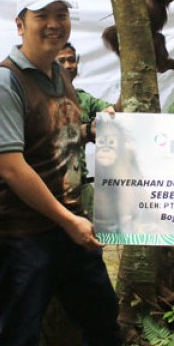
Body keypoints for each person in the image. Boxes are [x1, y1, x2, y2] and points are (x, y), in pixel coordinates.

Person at [0, 0, 133, 346]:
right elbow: (12, 167)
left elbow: (54, 139)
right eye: (41, 16)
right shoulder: (4, 82)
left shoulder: (59, 75)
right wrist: (69, 220)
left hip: (69, 230)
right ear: (20, 24)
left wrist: (89, 130)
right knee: (18, 345)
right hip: (25, 236)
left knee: (103, 325)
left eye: (60, 15)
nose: (53, 24)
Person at [56, 42, 113, 219]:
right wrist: (87, 130)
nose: (67, 65)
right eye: (62, 60)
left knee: (91, 241)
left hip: (81, 185)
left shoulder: (83, 98)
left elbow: (113, 109)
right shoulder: (39, 96)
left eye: (71, 60)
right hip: (49, 187)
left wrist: (110, 112)